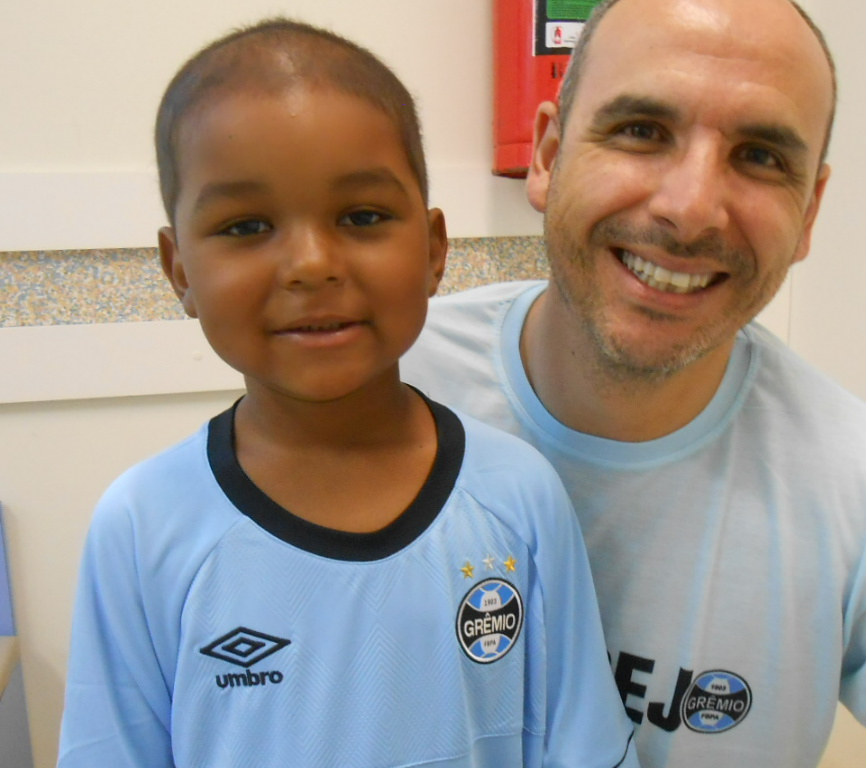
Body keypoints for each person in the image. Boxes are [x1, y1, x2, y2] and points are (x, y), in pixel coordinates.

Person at [402, 0, 866, 765]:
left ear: (809, 215)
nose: (691, 209)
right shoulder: (386, 387)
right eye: (641, 131)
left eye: (761, 156)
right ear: (548, 155)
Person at [57, 19, 639, 768]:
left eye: (362, 217)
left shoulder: (519, 499)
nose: (309, 263)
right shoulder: (142, 528)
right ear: (179, 271)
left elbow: (580, 748)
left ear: (433, 250)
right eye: (246, 225)